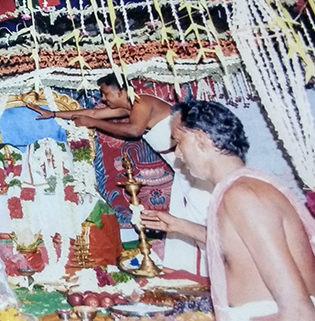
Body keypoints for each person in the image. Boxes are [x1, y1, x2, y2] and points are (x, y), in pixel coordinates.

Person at [143, 100, 315, 321]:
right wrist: (179, 226)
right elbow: (243, 249)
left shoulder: (242, 195)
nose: (178, 155)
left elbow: (298, 309)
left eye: (179, 142)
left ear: (201, 138)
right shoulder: (242, 188)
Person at [28, 73, 212, 276]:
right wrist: (53, 114)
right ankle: (189, 272)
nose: (104, 99)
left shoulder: (142, 101)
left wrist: (93, 123)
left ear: (121, 91)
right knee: (183, 222)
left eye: (106, 93)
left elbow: (134, 131)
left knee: (199, 218)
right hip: (182, 171)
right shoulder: (129, 106)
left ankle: (207, 272)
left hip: (194, 172)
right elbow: (93, 113)